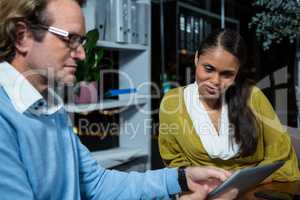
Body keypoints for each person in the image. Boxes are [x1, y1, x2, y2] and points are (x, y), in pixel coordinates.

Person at [0, 0, 238, 199]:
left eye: (81, 42)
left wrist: (181, 178)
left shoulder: (50, 106)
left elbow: (96, 183)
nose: (82, 53)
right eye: (70, 39)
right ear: (23, 37)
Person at [159, 29, 300, 183]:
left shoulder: (253, 97)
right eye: (208, 69)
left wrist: (242, 183)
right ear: (196, 58)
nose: (215, 81)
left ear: (237, 72)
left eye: (227, 74)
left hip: (255, 187)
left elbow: (280, 155)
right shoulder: (173, 101)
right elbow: (174, 162)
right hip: (202, 190)